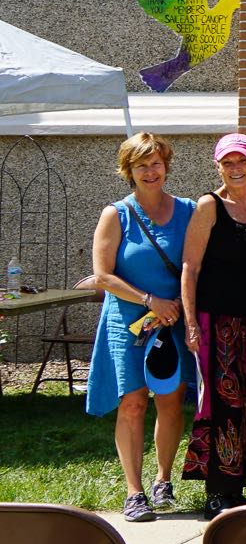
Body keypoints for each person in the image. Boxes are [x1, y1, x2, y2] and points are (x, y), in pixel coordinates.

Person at [78, 132, 197, 522]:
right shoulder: (117, 214)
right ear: (128, 170)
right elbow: (102, 276)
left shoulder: (188, 210)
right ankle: (134, 491)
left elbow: (196, 265)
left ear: (167, 165)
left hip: (174, 321)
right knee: (132, 402)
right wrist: (151, 302)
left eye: (156, 163)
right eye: (141, 165)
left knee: (169, 399)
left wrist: (179, 306)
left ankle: (163, 479)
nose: (151, 171)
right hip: (129, 321)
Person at [177, 134, 246, 519]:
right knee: (222, 403)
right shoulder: (209, 206)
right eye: (228, 162)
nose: (236, 169)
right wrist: (190, 323)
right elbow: (191, 267)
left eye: (243, 161)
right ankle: (219, 491)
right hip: (215, 319)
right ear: (217, 166)